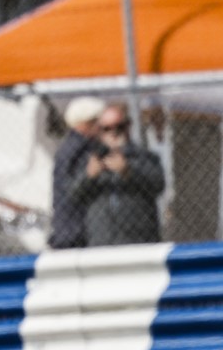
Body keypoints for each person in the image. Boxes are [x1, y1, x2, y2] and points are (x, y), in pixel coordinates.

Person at [70, 103, 165, 246]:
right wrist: (89, 176)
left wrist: (128, 171)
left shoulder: (143, 157)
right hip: (102, 241)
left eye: (119, 127)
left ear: (127, 127)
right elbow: (73, 195)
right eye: (107, 129)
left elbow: (158, 184)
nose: (113, 133)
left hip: (137, 241)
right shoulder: (91, 160)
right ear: (100, 131)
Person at [48, 95, 104, 248]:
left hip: (68, 229)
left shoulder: (70, 147)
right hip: (76, 231)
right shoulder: (79, 150)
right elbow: (73, 189)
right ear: (86, 124)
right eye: (97, 121)